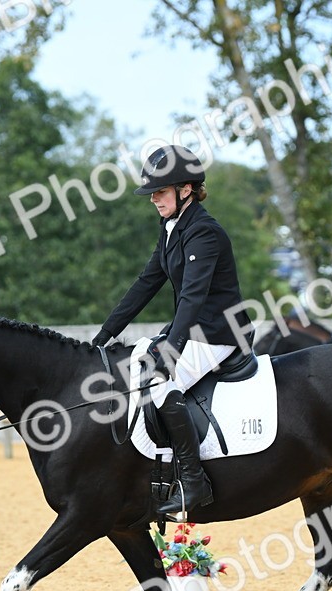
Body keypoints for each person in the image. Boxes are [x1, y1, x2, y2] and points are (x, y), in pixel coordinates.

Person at [90, 145, 253, 517]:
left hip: (219, 334)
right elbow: (146, 283)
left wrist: (172, 352)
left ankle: (194, 482)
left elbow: (193, 297)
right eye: (152, 194)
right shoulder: (170, 229)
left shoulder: (204, 232)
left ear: (186, 190)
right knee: (138, 360)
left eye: (160, 192)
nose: (154, 200)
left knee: (157, 380)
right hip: (194, 330)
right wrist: (105, 333)